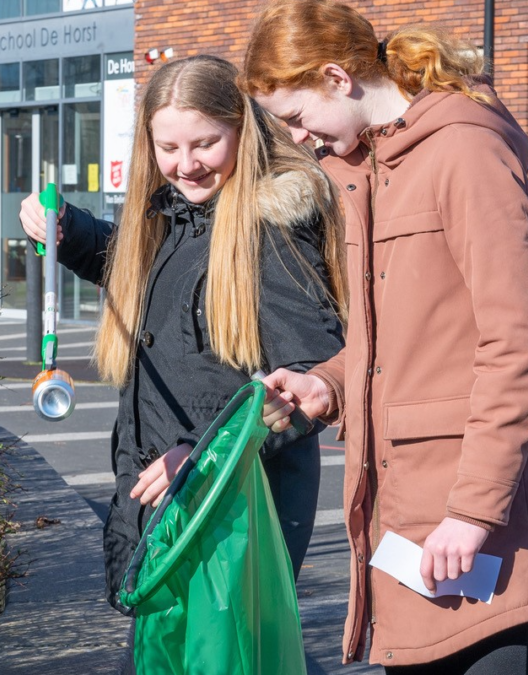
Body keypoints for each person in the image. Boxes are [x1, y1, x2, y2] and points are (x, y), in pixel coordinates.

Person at [240, 1, 528, 673]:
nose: (298, 139)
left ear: (336, 77)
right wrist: (331, 382)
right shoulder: (372, 168)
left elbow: (516, 342)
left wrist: (470, 512)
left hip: (477, 528)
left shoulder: (464, 149)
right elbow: (407, 340)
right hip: (411, 524)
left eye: (296, 116)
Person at [18, 55, 347, 619]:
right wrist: (69, 230)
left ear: (244, 132)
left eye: (204, 144)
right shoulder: (175, 216)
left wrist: (203, 459)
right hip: (165, 507)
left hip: (234, 515)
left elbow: (309, 390)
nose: (186, 165)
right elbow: (149, 272)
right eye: (167, 149)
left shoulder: (271, 235)